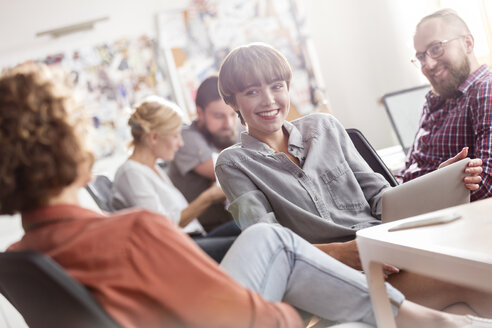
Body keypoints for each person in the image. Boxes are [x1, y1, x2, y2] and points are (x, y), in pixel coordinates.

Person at [3, 65, 488, 328]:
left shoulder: (18, 259)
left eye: (276, 87)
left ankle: (416, 318)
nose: (268, 100)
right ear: (72, 146)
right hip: (295, 294)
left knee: (266, 243)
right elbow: (258, 318)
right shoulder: (134, 233)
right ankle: (416, 319)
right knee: (272, 243)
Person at [215, 42, 490, 316]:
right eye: (252, 92)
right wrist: (343, 253)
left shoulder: (325, 128)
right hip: (329, 273)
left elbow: (382, 199)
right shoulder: (233, 163)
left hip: (387, 252)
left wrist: (436, 183)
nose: (269, 100)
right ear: (231, 100)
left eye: (276, 86)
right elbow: (270, 247)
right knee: (473, 283)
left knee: (466, 294)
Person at [398, 9, 492, 201]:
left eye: (436, 48)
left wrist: (441, 182)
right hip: (402, 204)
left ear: (468, 43)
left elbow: (486, 184)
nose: (429, 64)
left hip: (434, 214)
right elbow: (409, 167)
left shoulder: (486, 90)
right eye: (421, 57)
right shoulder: (435, 98)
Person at [111, 96, 237, 238]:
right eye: (176, 136)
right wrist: (207, 198)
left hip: (194, 238)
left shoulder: (152, 168)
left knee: (252, 224)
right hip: (183, 246)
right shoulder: (131, 173)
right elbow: (161, 226)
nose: (181, 143)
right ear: (153, 137)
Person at [168, 75, 240, 232]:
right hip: (205, 230)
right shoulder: (185, 138)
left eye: (233, 114)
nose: (228, 124)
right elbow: (229, 171)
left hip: (230, 220)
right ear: (199, 113)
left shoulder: (231, 129)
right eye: (219, 116)